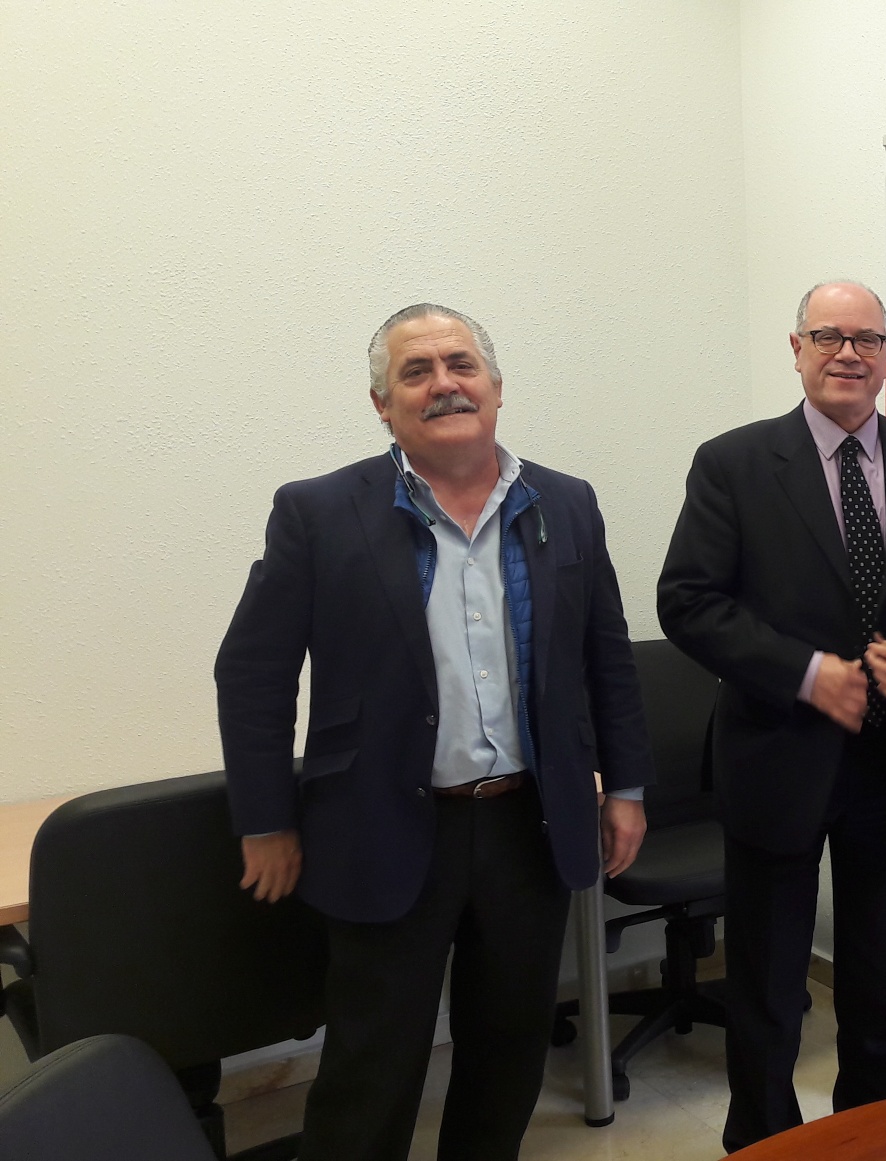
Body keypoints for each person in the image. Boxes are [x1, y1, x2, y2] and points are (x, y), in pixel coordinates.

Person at [216, 303, 653, 1161]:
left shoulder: (566, 502)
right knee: (373, 1067)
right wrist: (264, 818)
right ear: (382, 404)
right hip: (382, 824)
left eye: (461, 364)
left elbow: (607, 654)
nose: (443, 383)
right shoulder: (318, 511)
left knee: (509, 1050)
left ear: (496, 387)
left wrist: (627, 786)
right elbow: (253, 672)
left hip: (528, 824)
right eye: (416, 371)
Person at [656, 280, 886, 1150]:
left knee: (880, 981)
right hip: (776, 756)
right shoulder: (733, 462)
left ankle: (875, 1135)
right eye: (829, 335)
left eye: (867, 338)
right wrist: (806, 674)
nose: (849, 352)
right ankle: (765, 1141)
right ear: (796, 348)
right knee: (769, 983)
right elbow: (688, 601)